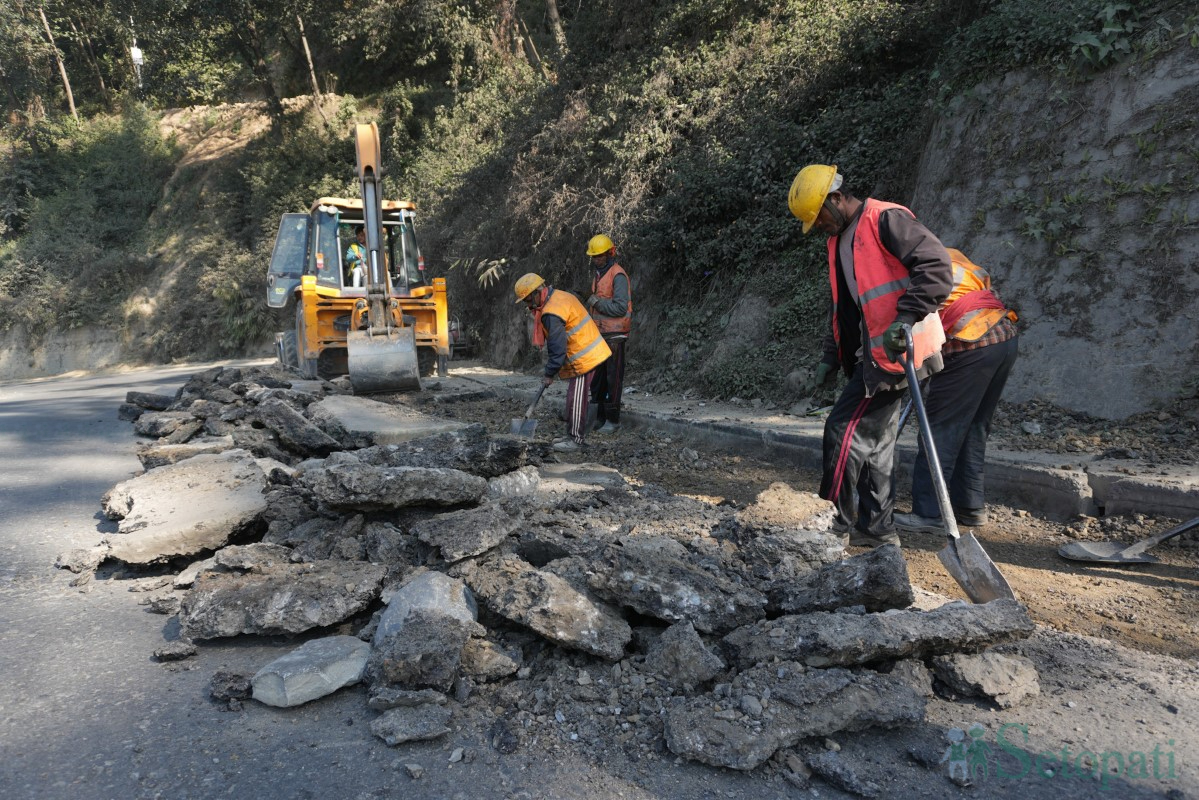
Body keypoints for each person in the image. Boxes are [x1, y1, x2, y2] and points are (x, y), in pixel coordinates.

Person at [789, 163, 952, 548]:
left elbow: (936, 266)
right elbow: (848, 308)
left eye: (820, 219)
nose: (820, 228)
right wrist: (832, 356)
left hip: (899, 353)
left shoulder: (884, 219)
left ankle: (833, 524)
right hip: (875, 353)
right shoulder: (839, 240)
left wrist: (907, 317)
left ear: (836, 198)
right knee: (876, 444)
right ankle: (877, 530)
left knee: (843, 432)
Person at [893, 248, 1019, 530]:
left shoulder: (903, 271)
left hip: (970, 342)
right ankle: (970, 506)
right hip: (1003, 336)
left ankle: (929, 513)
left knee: (939, 429)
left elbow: (914, 324)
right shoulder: (944, 254)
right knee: (973, 426)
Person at [513, 273, 612, 453]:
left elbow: (557, 348)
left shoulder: (551, 312)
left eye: (528, 300)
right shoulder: (557, 297)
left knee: (576, 399)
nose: (528, 306)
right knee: (573, 397)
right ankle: (571, 434)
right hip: (586, 352)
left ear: (536, 293)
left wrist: (549, 373)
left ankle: (575, 439)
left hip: (585, 357)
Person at [584, 234, 633, 435]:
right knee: (598, 380)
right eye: (594, 256)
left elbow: (621, 308)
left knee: (613, 380)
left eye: (600, 256)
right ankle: (599, 417)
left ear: (610, 253)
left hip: (615, 336)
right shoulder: (599, 275)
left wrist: (596, 302)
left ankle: (613, 420)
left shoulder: (617, 275)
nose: (596, 259)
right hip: (600, 335)